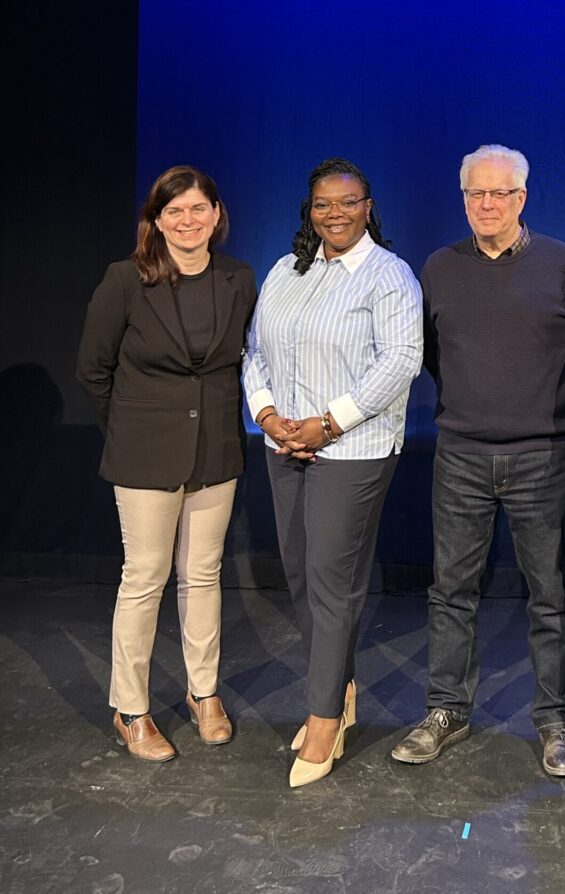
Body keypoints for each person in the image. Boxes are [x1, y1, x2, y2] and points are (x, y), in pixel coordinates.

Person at [390, 144, 565, 776]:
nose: (487, 204)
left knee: (552, 594)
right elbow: (429, 353)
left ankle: (555, 722)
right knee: (451, 590)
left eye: (500, 194)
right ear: (463, 198)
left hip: (546, 457)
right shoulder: (438, 268)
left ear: (522, 198)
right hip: (461, 455)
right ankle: (447, 710)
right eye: (476, 194)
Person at [243, 158, 422, 788]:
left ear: (368, 206)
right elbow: (255, 351)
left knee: (331, 580)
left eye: (348, 202)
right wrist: (266, 412)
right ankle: (339, 689)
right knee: (299, 574)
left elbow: (401, 361)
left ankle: (324, 720)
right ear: (309, 210)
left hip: (353, 448)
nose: (335, 213)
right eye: (323, 203)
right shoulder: (285, 272)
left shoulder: (388, 276)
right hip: (284, 444)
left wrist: (328, 422)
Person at [76, 166, 257, 761]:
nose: (187, 220)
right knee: (145, 577)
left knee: (203, 575)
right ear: (155, 220)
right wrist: (135, 428)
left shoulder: (237, 277)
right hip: (145, 455)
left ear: (216, 214)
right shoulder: (125, 280)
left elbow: (238, 365)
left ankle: (205, 695)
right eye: (173, 211)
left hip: (216, 454)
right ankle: (131, 708)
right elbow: (94, 370)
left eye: (198, 208)